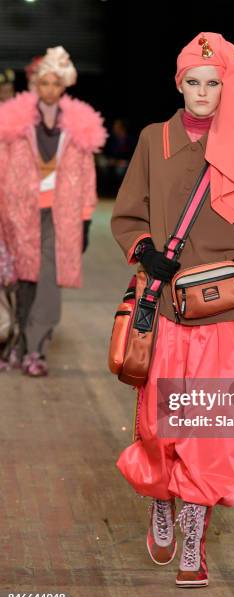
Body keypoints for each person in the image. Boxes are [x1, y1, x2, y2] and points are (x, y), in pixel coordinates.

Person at [111, 32, 234, 587]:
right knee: (163, 427)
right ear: (179, 83)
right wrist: (145, 252)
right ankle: (161, 499)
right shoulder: (152, 139)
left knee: (212, 432)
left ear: (225, 87)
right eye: (194, 82)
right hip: (165, 308)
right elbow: (127, 215)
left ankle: (194, 533)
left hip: (225, 314)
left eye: (214, 83)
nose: (204, 92)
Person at [0, 46, 106, 376]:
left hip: (60, 214)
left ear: (64, 86)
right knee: (22, 280)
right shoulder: (14, 124)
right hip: (19, 213)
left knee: (48, 279)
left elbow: (86, 174)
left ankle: (36, 350)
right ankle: (17, 343)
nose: (48, 89)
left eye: (55, 83)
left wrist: (86, 219)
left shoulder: (79, 126)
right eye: (43, 83)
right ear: (34, 85)